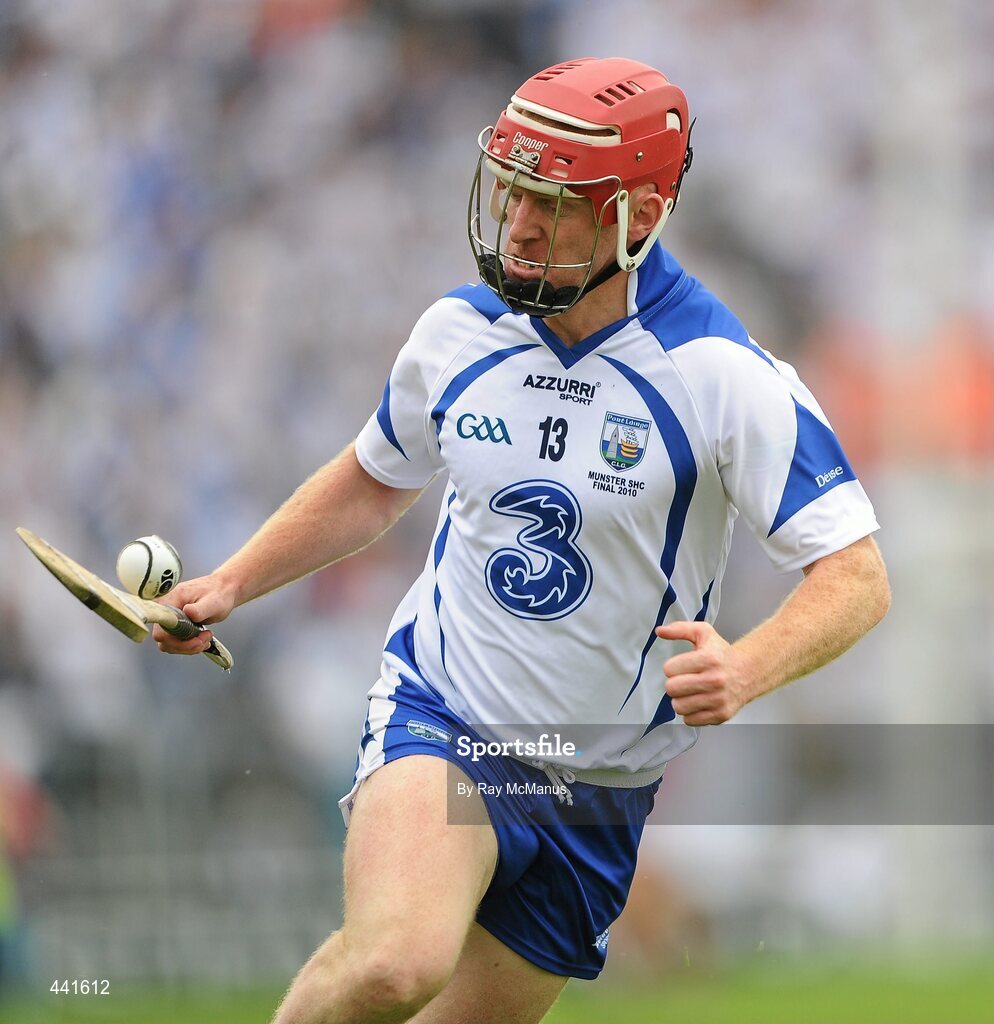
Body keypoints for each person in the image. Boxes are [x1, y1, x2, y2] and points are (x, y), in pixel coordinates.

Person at [155, 57, 890, 1024]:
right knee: (392, 966)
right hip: (445, 713)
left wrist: (748, 667)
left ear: (640, 214)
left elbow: (857, 576)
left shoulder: (720, 374)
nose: (523, 226)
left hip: (599, 784)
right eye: (513, 193)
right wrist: (233, 581)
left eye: (559, 203)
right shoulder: (457, 332)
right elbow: (376, 477)